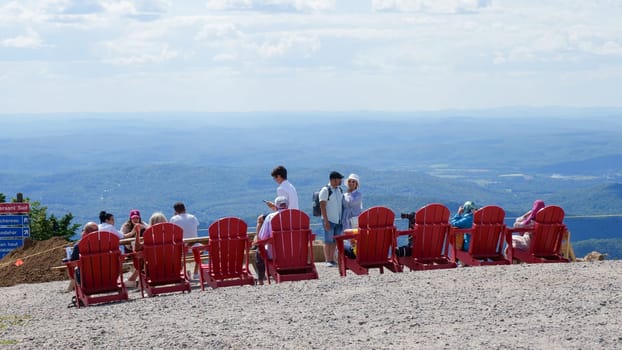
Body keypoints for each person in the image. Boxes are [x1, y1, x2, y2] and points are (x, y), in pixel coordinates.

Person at [125, 212, 168, 288]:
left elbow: (138, 248)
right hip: (170, 267)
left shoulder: (150, 237)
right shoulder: (171, 235)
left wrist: (137, 233)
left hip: (153, 269)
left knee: (140, 257)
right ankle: (132, 279)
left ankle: (134, 280)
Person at [255, 196, 289, 284]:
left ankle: (261, 279)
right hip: (295, 253)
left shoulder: (270, 217)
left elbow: (262, 237)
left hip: (275, 254)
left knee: (259, 251)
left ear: (276, 206)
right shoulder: (297, 215)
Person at [319, 171, 344, 267]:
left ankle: (332, 259)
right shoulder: (325, 190)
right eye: (339, 179)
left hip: (338, 220)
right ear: (333, 179)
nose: (340, 181)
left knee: (335, 241)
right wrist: (325, 220)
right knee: (328, 241)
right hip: (329, 219)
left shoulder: (339, 190)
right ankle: (327, 259)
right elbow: (322, 205)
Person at [66, 221, 100, 291]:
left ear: (85, 232)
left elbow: (73, 263)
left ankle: (71, 289)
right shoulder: (106, 243)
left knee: (75, 268)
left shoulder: (78, 246)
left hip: (86, 280)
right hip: (107, 277)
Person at [170, 202, 200, 279]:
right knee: (199, 250)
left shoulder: (174, 219)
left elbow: (172, 233)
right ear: (185, 209)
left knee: (179, 252)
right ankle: (196, 273)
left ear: (175, 211)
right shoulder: (193, 217)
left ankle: (181, 271)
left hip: (182, 248)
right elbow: (196, 229)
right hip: (194, 246)